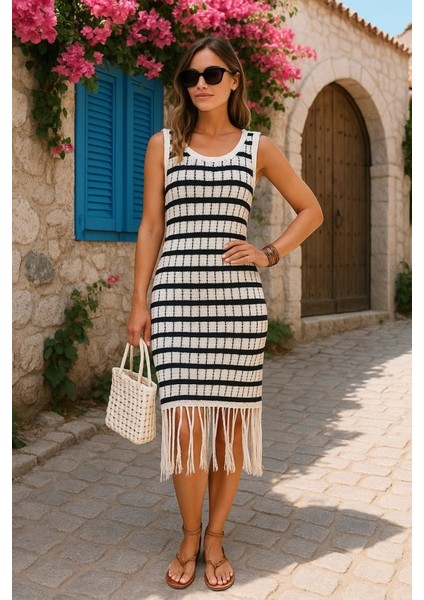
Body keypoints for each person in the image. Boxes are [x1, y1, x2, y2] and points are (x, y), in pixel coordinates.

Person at [127, 35, 323, 592]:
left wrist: (268, 253)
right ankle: (189, 536)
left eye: (212, 74)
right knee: (186, 424)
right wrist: (139, 300)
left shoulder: (258, 148)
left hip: (237, 306)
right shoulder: (164, 145)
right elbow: (151, 225)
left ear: (234, 79)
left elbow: (310, 210)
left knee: (230, 428)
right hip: (175, 302)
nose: (201, 85)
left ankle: (215, 538)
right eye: (191, 77)